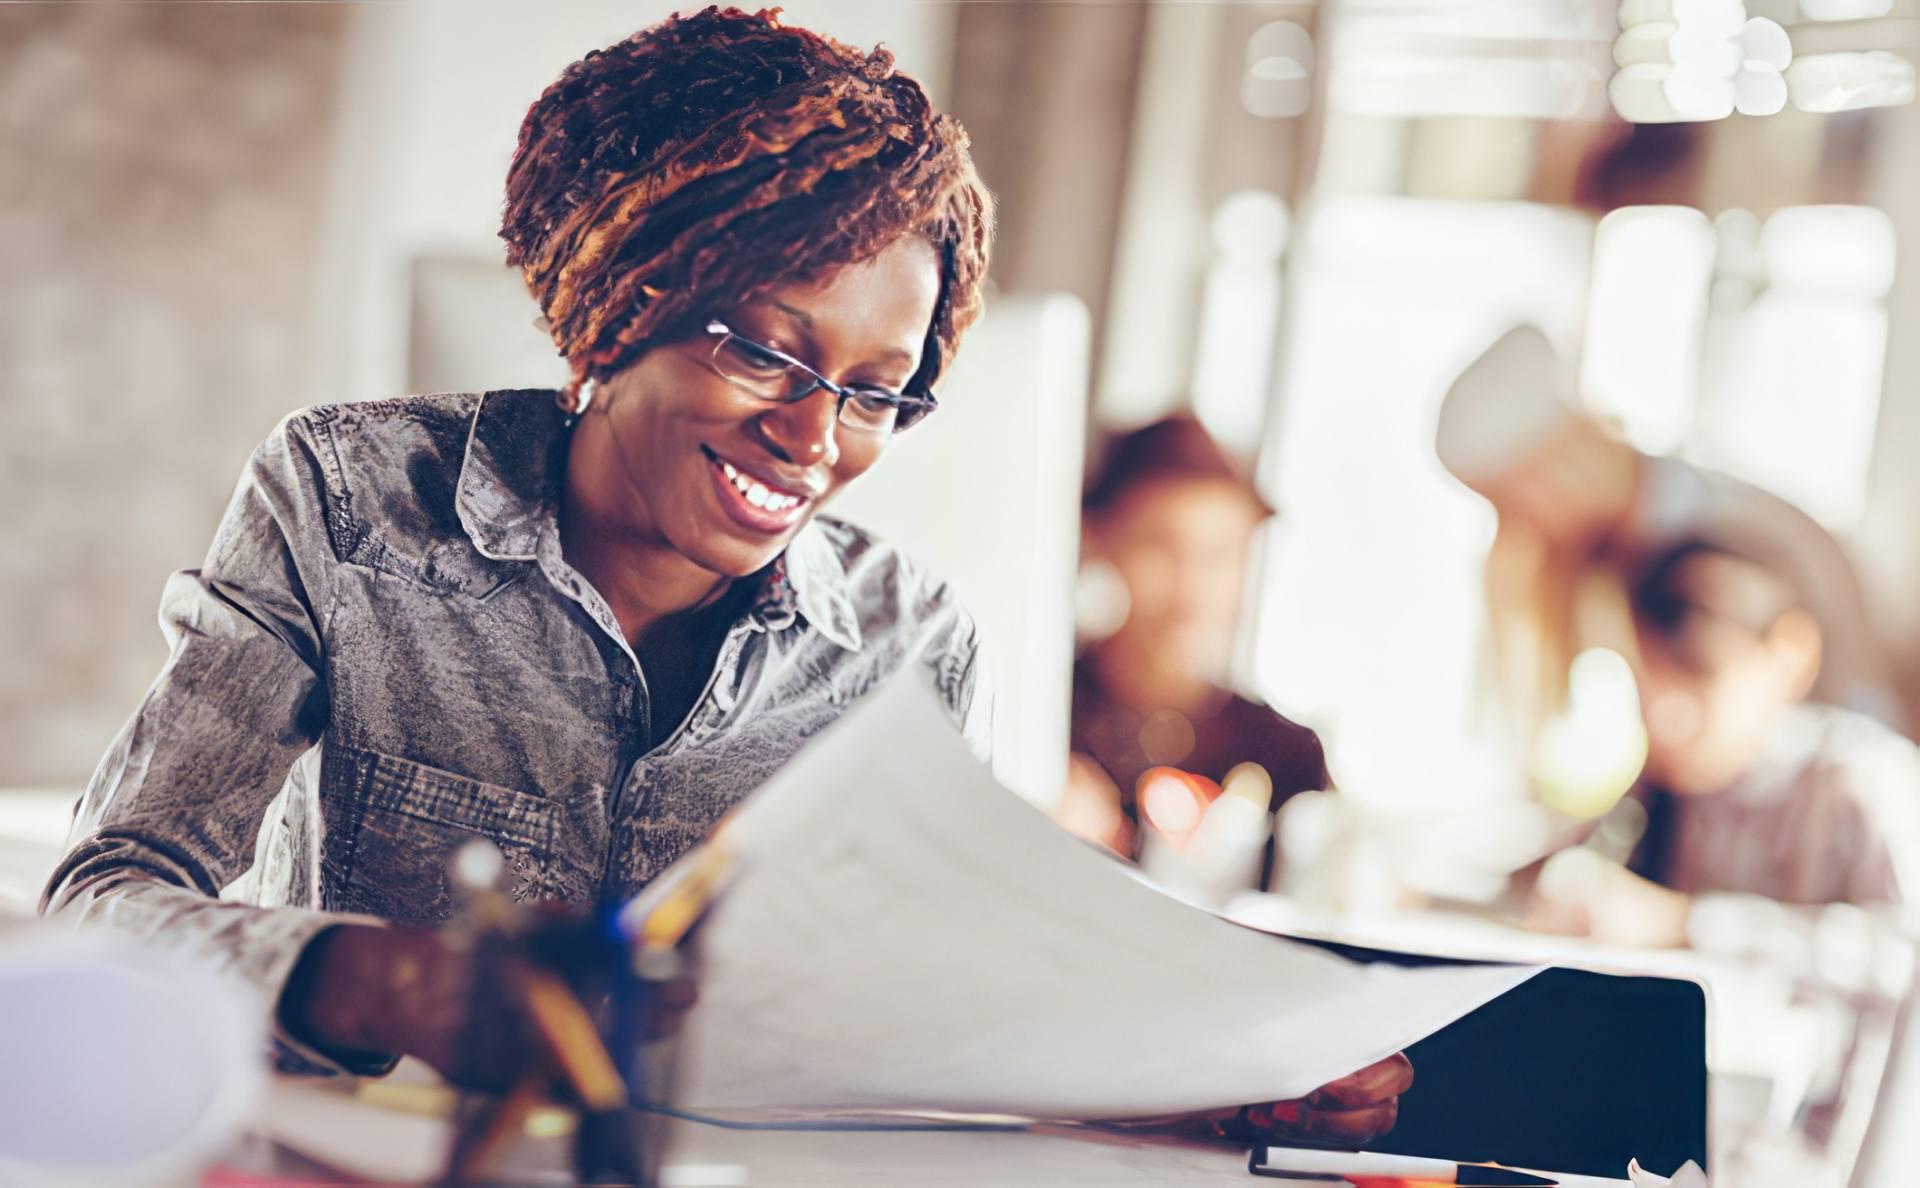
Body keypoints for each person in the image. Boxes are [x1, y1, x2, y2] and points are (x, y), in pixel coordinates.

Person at [40, 7, 1407, 1145]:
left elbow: (940, 1032)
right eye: (763, 351)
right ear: (616, 306)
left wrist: (1207, 1090)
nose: (814, 440)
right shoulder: (350, 506)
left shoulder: (912, 642)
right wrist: (388, 981)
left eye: (876, 394)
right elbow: (104, 903)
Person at [1531, 538, 1920, 948]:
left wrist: (1687, 924)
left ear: (1791, 656)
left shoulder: (1867, 780)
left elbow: (1906, 957)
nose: (1667, 722)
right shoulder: (1659, 793)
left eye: (1699, 677)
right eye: (1649, 686)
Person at [1056, 415, 1328, 866]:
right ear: (1100, 539)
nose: (1191, 586)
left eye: (1218, 554)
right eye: (1161, 546)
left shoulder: (1289, 758)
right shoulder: (1041, 717)